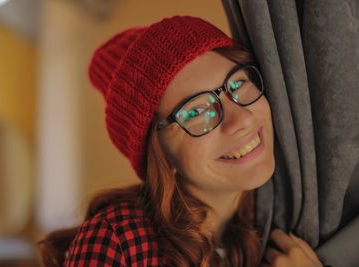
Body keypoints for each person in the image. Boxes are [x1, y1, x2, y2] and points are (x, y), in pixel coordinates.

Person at [39, 16, 326, 267]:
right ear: (161, 153)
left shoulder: (274, 216)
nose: (241, 120)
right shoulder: (118, 242)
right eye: (197, 111)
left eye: (237, 84)